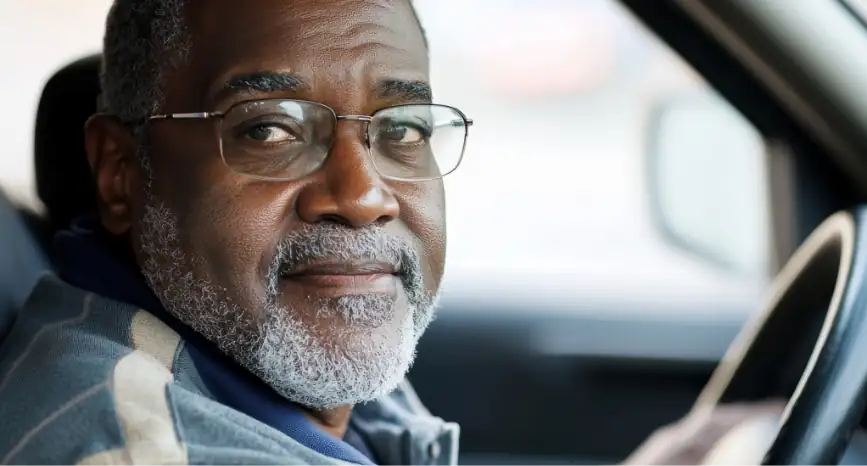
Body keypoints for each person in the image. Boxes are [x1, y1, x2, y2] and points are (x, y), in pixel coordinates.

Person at [0, 1, 783, 465]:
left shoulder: (259, 350)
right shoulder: (144, 447)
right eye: (269, 129)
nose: (364, 193)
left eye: (402, 126)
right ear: (121, 173)